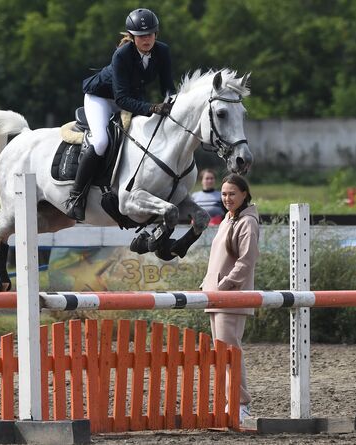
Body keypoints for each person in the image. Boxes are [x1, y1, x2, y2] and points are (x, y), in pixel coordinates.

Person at [65, 8, 176, 220]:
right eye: (141, 36)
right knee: (101, 142)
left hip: (130, 98)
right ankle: (76, 196)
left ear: (156, 34)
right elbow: (121, 99)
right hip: (102, 99)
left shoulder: (163, 51)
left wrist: (173, 104)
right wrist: (152, 108)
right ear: (132, 37)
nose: (147, 39)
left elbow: (167, 88)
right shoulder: (122, 55)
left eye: (150, 34)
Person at [201, 174, 260, 422]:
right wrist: (208, 285)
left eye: (232, 193)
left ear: (244, 194)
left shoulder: (248, 222)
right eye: (224, 194)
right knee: (222, 353)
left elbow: (246, 262)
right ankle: (232, 402)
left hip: (231, 297)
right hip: (216, 296)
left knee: (230, 352)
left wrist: (224, 285)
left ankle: (241, 404)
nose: (227, 198)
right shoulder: (228, 218)